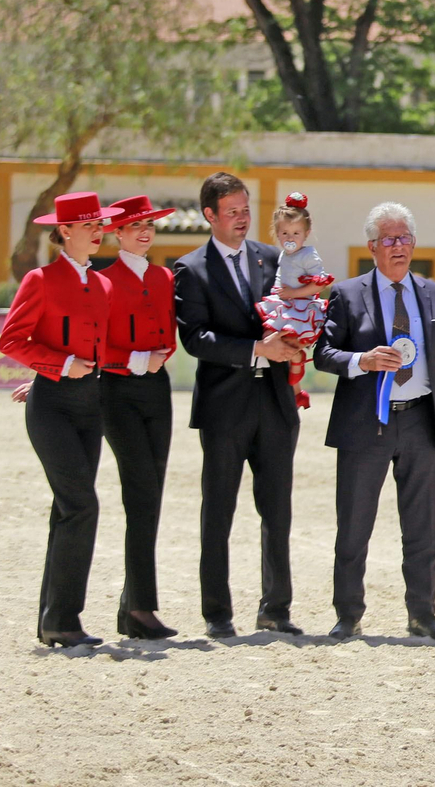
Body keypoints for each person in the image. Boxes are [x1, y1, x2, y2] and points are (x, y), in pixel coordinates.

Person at [312, 202, 435, 641]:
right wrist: (362, 360)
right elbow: (323, 354)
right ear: (372, 247)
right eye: (388, 240)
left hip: (419, 419)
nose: (398, 247)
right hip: (365, 423)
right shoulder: (347, 294)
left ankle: (422, 613)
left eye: (404, 238)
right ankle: (348, 614)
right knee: (354, 524)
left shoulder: (434, 294)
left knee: (422, 527)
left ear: (413, 244)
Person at [173, 172, 305, 640]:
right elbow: (196, 338)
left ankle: (276, 608)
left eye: (246, 210)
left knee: (278, 510)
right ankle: (216, 612)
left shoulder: (274, 259)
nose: (242, 219)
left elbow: (293, 312)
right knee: (219, 510)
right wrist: (257, 349)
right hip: (224, 406)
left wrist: (293, 342)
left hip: (274, 402)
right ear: (209, 215)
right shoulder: (190, 269)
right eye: (232, 212)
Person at [0, 191, 124, 647]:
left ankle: (52, 619)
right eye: (89, 225)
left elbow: (99, 347)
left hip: (90, 406)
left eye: (100, 224)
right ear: (64, 232)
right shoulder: (40, 279)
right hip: (53, 407)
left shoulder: (104, 284)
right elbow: (11, 340)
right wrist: (52, 369)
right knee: (82, 505)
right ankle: (64, 620)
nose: (98, 231)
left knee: (67, 510)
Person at [99, 194, 180, 640]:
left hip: (157, 390)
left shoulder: (165, 277)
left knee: (152, 494)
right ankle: (142, 608)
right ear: (118, 234)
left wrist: (159, 355)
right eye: (135, 227)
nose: (144, 232)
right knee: (141, 493)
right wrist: (136, 360)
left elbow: (168, 334)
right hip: (116, 390)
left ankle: (132, 607)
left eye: (149, 225)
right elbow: (96, 344)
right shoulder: (103, 280)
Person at [256, 191, 334, 409]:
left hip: (301, 305)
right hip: (284, 303)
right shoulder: (283, 255)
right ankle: (297, 389)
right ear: (277, 233)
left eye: (296, 233)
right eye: (285, 233)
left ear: (306, 233)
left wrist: (293, 294)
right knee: (269, 337)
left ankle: (298, 375)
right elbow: (282, 278)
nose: (290, 238)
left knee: (286, 340)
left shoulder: (309, 254)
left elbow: (320, 283)